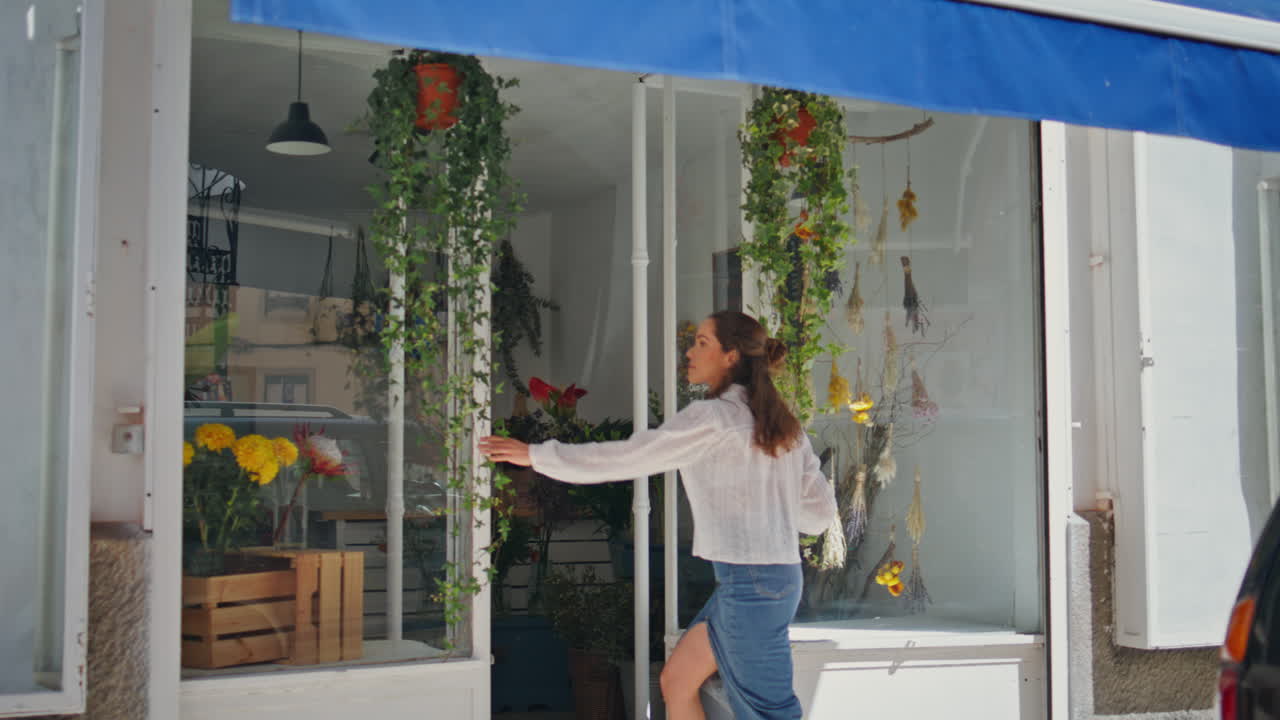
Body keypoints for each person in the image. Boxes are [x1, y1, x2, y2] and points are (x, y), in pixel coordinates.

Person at [479, 310, 837, 720]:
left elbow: (630, 456)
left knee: (770, 713)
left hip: (750, 584)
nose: (690, 351)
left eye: (702, 342)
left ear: (731, 355)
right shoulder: (783, 424)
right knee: (677, 682)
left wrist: (536, 455)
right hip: (766, 580)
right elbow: (818, 516)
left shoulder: (716, 418)